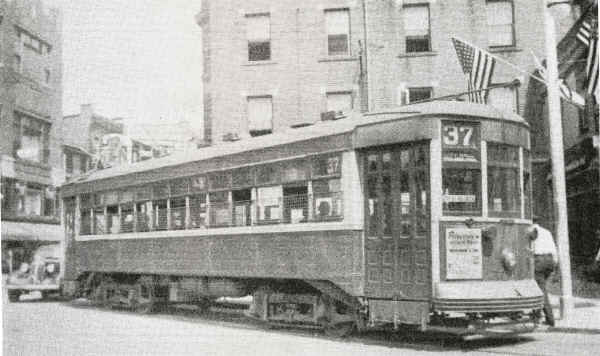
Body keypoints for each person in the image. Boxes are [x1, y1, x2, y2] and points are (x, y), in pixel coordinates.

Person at [529, 217, 558, 326]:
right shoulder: (547, 232)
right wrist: (555, 266)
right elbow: (554, 250)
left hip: (539, 261)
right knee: (541, 288)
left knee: (540, 291)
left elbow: (530, 250)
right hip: (550, 260)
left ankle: (549, 319)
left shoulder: (531, 232)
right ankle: (538, 315)